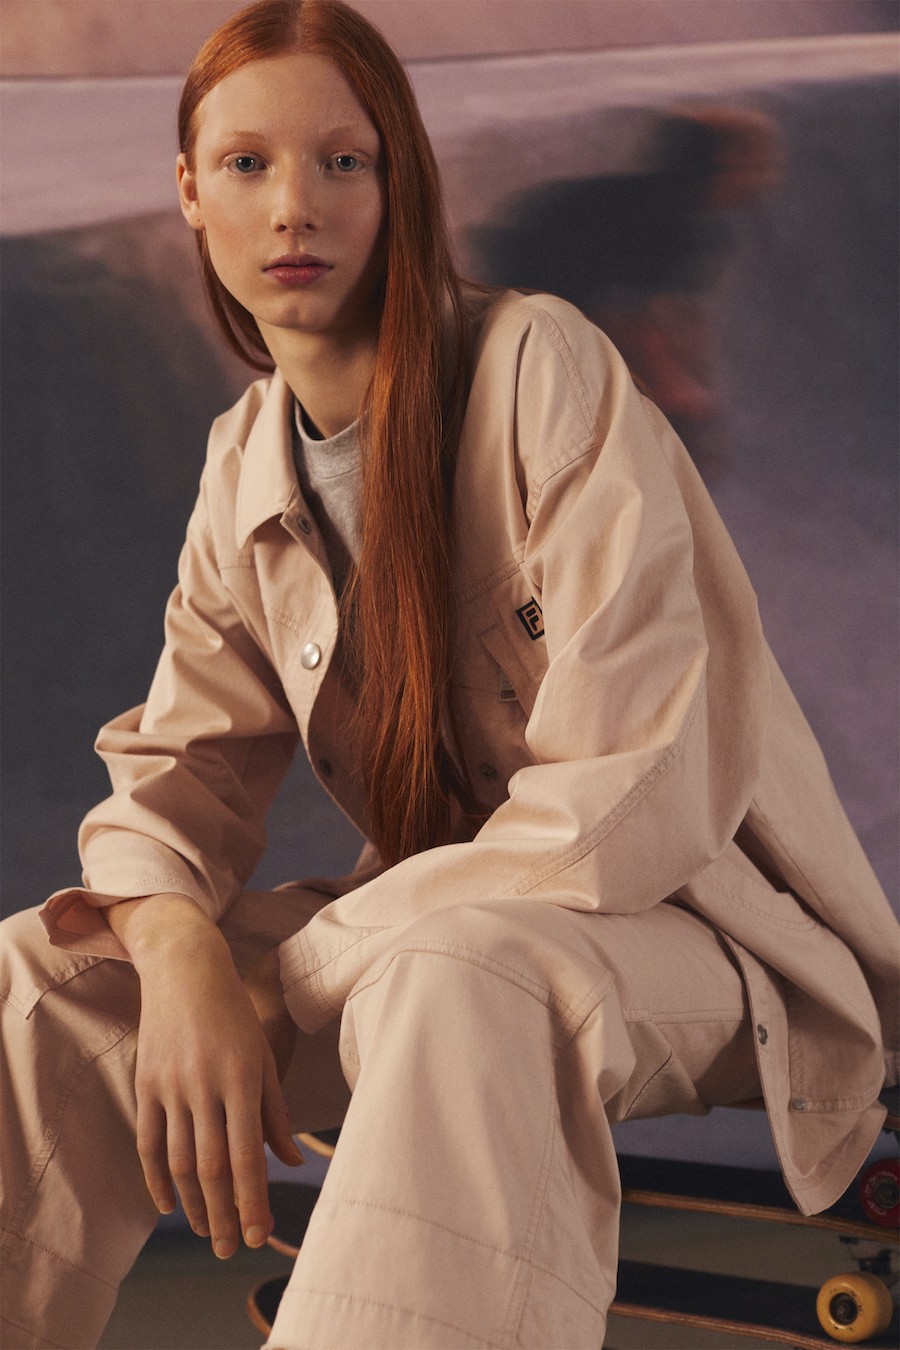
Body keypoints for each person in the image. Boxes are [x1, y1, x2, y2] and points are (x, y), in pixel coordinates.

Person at [0, 2, 896, 1347]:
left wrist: (298, 968)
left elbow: (630, 798)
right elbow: (179, 774)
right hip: (433, 927)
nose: (293, 206)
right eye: (246, 163)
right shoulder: (246, 457)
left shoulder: (542, 367)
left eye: (342, 161)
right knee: (48, 976)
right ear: (189, 190)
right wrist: (177, 948)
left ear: (397, 184)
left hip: (697, 930)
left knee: (458, 968)